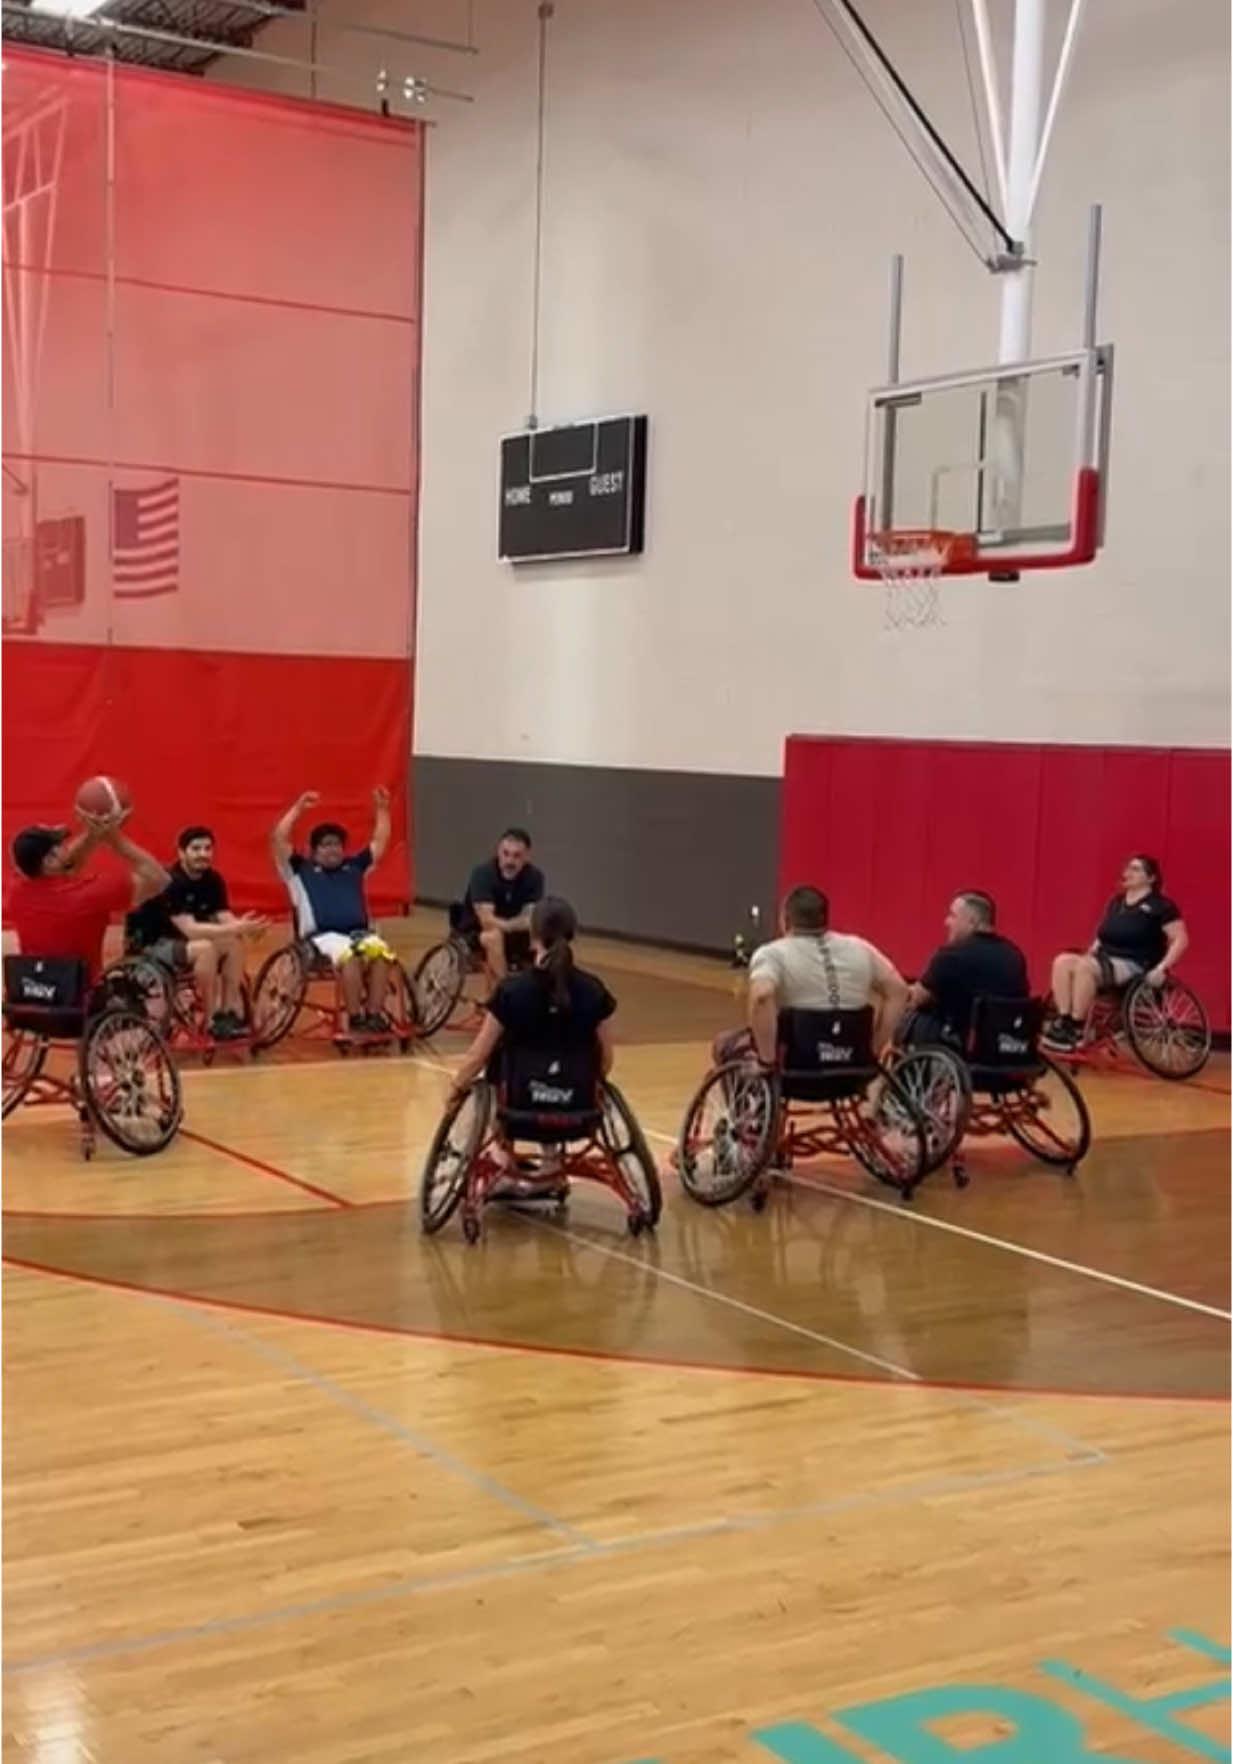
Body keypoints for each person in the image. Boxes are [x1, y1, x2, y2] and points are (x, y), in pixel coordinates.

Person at [448, 898, 615, 1187]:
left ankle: (502, 1156)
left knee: (498, 1061)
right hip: (578, 1110)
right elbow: (606, 1057)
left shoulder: (512, 992)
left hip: (518, 1110)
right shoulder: (593, 990)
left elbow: (478, 1055)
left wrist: (455, 1089)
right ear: (572, 934)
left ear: (533, 936)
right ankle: (551, 1163)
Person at [714, 884, 908, 1068]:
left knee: (725, 1043)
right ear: (825, 918)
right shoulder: (861, 948)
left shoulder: (772, 954)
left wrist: (767, 1060)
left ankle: (749, 1102)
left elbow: (762, 997)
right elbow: (899, 991)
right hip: (853, 1061)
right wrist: (875, 1049)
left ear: (785, 920)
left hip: (797, 1063)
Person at [270, 787, 396, 1035]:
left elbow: (379, 843)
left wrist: (382, 810)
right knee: (349, 957)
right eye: (326, 845)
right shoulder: (299, 870)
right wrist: (297, 808)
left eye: (337, 845)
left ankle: (373, 1014)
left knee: (382, 956)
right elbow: (278, 839)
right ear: (314, 850)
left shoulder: (354, 867)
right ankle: (355, 1017)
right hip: (322, 937)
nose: (333, 850)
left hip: (359, 933)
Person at [126, 825, 267, 1040]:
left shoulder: (213, 880)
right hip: (154, 944)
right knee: (206, 948)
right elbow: (190, 930)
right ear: (182, 853)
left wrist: (246, 928)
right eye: (196, 849)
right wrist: (235, 927)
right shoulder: (171, 882)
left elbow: (224, 917)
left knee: (232, 941)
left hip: (185, 943)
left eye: (208, 848)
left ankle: (227, 1014)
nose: (203, 854)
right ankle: (209, 1018)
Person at [6, 805, 169, 985]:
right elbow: (159, 879)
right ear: (49, 859)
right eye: (60, 846)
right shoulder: (89, 895)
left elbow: (63, 867)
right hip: (82, 1001)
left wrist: (92, 835)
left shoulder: (16, 892)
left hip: (32, 996)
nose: (65, 847)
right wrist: (114, 838)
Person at [1045, 854, 1189, 1051]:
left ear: (1151, 878)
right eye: (1127, 868)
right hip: (1105, 958)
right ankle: (1064, 1021)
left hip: (1136, 963)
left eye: (1136, 869)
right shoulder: (1117, 902)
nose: (1127, 872)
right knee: (1062, 961)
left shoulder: (1161, 906)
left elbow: (1181, 940)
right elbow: (1102, 935)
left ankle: (1077, 1026)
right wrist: (1091, 951)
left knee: (1086, 967)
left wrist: (1162, 969)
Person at [903, 891, 1029, 1047]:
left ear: (972, 922)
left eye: (952, 915)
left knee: (913, 1018)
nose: (946, 922)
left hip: (965, 1046)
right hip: (1008, 1046)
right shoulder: (1014, 956)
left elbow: (917, 999)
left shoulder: (951, 956)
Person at [456, 827, 546, 981]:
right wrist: (512, 925)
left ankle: (537, 990)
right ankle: (504, 993)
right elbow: (487, 921)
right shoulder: (483, 874)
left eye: (517, 856)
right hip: (475, 933)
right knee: (493, 937)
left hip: (512, 933)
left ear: (527, 857)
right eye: (506, 854)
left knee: (543, 936)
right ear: (498, 852)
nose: (510, 861)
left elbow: (529, 918)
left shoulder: (535, 877)